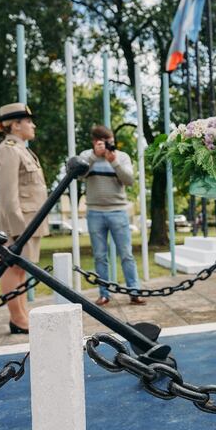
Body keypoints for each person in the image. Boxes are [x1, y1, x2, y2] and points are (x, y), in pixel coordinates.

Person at [0, 103, 49, 334]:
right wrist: (18, 230)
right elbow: (8, 194)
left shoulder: (22, 150)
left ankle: (22, 315)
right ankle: (17, 318)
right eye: (28, 121)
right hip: (18, 223)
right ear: (15, 125)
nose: (33, 125)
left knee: (20, 270)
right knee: (12, 268)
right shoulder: (8, 150)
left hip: (28, 221)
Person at [78, 125, 145, 306]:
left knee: (126, 254)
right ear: (95, 142)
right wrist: (94, 156)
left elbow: (129, 180)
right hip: (94, 213)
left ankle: (134, 292)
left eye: (111, 142)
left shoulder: (122, 157)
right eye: (105, 143)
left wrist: (114, 162)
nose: (109, 146)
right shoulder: (86, 156)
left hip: (118, 212)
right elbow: (79, 175)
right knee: (100, 256)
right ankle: (104, 294)